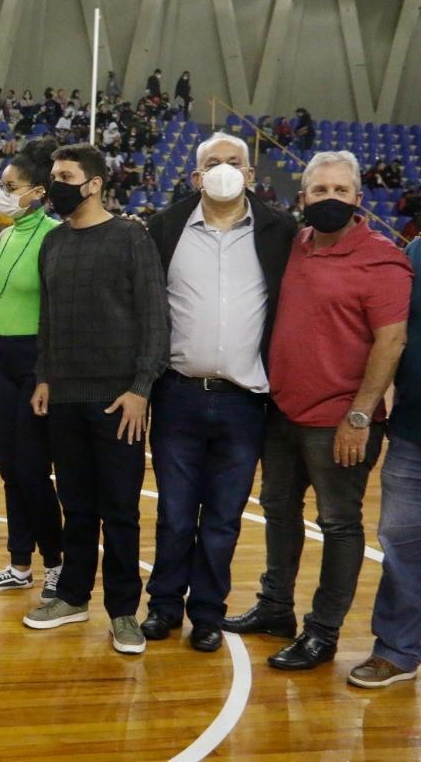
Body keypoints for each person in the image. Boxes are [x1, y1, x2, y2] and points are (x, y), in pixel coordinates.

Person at [223, 151, 411, 670]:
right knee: (279, 511)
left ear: (358, 200)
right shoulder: (295, 245)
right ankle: (275, 607)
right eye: (320, 191)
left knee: (338, 524)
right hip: (283, 412)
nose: (329, 199)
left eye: (340, 192)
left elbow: (390, 342)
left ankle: (322, 632)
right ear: (301, 197)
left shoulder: (381, 258)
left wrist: (360, 415)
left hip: (341, 421)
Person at [140, 132, 297, 653]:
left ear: (251, 176)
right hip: (178, 394)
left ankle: (207, 613)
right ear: (195, 176)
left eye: (235, 163)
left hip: (245, 401)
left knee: (224, 520)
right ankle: (163, 606)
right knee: (175, 514)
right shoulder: (165, 228)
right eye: (214, 163)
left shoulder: (281, 232)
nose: (224, 170)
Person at [22, 143, 169, 656]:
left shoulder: (131, 237)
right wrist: (44, 375)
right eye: (54, 174)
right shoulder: (53, 243)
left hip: (117, 400)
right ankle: (72, 597)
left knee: (120, 510)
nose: (57, 183)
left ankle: (124, 611)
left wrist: (140, 388)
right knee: (76, 506)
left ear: (95, 183)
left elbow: (154, 317)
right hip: (64, 397)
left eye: (66, 175)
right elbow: (49, 320)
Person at [0, 138, 63, 601]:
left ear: (38, 191)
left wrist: (47, 373)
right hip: (1, 360)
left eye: (12, 186)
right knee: (10, 468)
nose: (3, 193)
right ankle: (18, 563)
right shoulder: (5, 234)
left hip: (35, 363)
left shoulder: (53, 235)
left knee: (32, 470)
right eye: (2, 185)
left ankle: (55, 562)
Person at [350, 235, 421, 687]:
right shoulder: (416, 252)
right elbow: (394, 333)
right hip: (414, 432)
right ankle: (396, 649)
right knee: (400, 544)